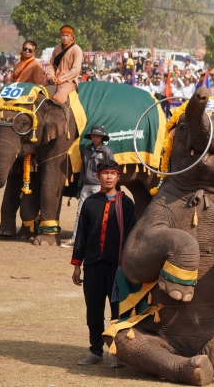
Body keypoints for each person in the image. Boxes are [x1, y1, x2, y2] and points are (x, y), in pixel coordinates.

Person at [70, 159, 137, 366]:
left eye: (112, 173)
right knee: (94, 310)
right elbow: (81, 235)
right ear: (98, 176)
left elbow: (132, 235)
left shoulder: (126, 203)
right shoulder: (90, 203)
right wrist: (77, 265)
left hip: (117, 267)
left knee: (118, 311)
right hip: (93, 265)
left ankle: (118, 354)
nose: (109, 177)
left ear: (118, 177)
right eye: (104, 173)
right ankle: (96, 352)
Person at [63, 126, 115, 248]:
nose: (95, 138)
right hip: (86, 186)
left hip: (99, 186)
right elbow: (83, 169)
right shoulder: (87, 149)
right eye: (93, 136)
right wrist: (79, 186)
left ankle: (98, 241)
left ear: (102, 137)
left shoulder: (107, 151)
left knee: (99, 214)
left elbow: (111, 171)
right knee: (80, 212)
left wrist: (108, 188)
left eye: (98, 136)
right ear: (91, 137)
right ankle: (76, 239)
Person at [45, 25, 84, 104]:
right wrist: (51, 77)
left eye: (67, 36)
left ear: (71, 37)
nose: (65, 38)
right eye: (63, 35)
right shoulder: (57, 48)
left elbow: (76, 70)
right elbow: (50, 65)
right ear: (60, 36)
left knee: (60, 96)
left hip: (69, 81)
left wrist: (60, 79)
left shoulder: (76, 50)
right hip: (54, 80)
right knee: (39, 89)